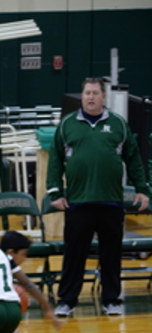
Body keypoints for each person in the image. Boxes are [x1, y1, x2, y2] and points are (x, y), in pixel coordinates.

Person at [46, 77, 150, 317]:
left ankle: (111, 300)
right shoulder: (67, 124)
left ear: (104, 97)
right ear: (82, 96)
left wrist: (142, 189)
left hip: (110, 201)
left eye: (95, 93)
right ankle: (67, 302)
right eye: (87, 93)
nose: (90, 97)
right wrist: (55, 191)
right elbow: (55, 159)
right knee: (74, 255)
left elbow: (134, 159)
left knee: (111, 255)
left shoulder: (118, 124)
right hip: (78, 202)